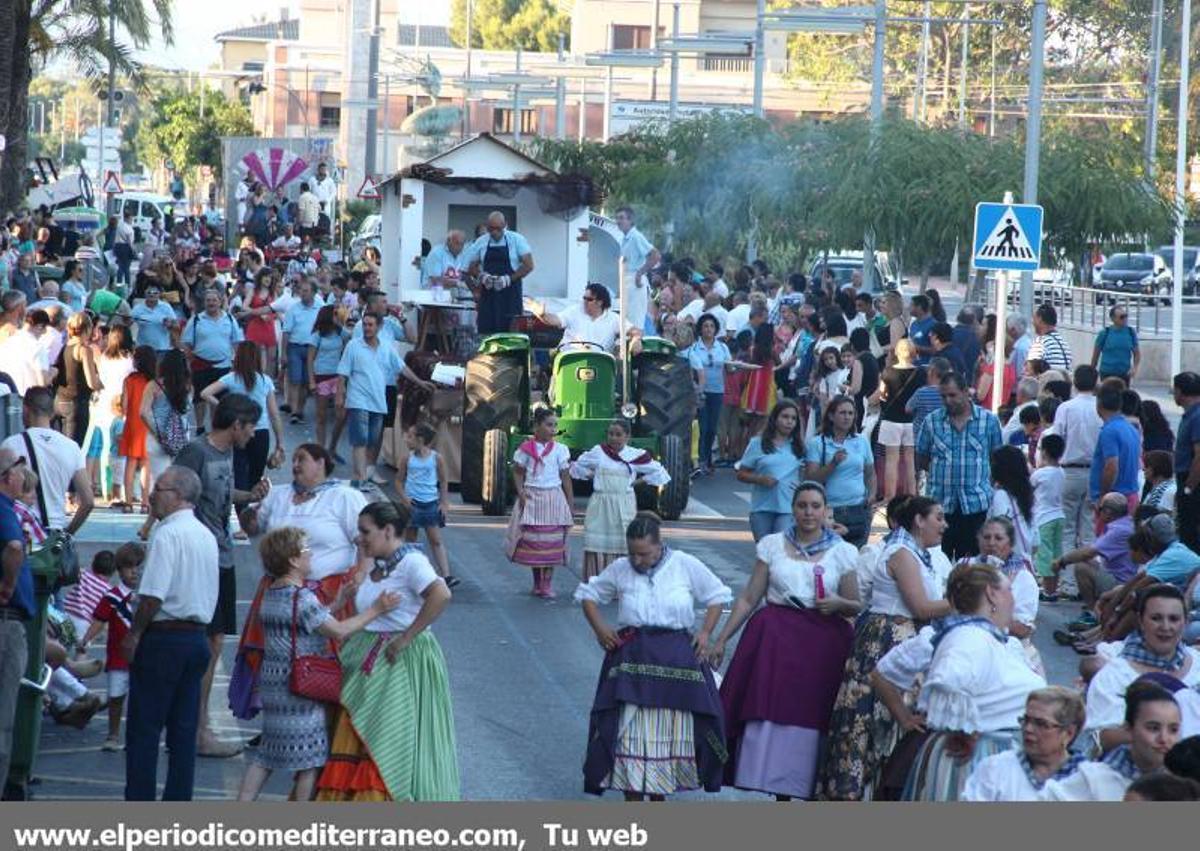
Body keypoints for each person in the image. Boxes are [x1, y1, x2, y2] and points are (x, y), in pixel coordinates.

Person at [713, 482, 860, 800]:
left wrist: (836, 603)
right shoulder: (773, 545)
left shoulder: (843, 552)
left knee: (813, 713)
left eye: (815, 506)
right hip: (776, 637)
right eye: (802, 505)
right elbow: (750, 597)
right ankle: (776, 786)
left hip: (823, 643)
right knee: (772, 710)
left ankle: (807, 783)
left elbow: (855, 604)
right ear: (793, 509)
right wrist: (721, 638)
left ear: (825, 510)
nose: (808, 512)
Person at [235, 527, 400, 801]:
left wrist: (338, 602)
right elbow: (338, 631)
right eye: (306, 550)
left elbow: (302, 622)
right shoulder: (302, 598)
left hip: (274, 681)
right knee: (309, 758)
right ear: (293, 560)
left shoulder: (273, 592)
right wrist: (376, 610)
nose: (311, 555)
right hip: (300, 685)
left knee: (267, 752)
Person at [576, 513, 730, 800]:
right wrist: (600, 629)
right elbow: (588, 594)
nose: (637, 560)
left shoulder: (684, 564)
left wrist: (706, 632)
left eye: (644, 554)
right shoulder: (621, 568)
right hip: (632, 660)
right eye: (632, 553)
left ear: (660, 545)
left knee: (669, 739)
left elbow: (716, 595)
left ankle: (658, 800)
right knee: (626, 738)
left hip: (676, 661)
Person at [315, 501, 458, 801]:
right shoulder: (377, 563)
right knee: (361, 733)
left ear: (388, 530)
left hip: (398, 663)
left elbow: (441, 594)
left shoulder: (411, 563)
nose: (359, 538)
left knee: (384, 737)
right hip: (367, 658)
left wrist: (406, 638)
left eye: (365, 532)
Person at [818, 497, 953, 800]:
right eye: (939, 518)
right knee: (873, 721)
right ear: (919, 520)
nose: (944, 525)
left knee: (889, 724)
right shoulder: (902, 554)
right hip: (887, 640)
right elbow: (920, 607)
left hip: (901, 638)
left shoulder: (919, 554)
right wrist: (967, 601)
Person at [897, 561, 1046, 801]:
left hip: (991, 755)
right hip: (975, 761)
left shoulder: (982, 637)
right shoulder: (969, 637)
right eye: (1010, 591)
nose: (1014, 601)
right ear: (992, 594)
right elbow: (947, 679)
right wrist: (964, 730)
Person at [174, 394, 267, 758]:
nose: (254, 433)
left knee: (212, 644)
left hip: (223, 556)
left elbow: (222, 495)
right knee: (204, 644)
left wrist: (249, 494)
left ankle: (196, 726)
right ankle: (197, 729)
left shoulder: (228, 454)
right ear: (235, 425)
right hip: (202, 559)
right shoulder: (197, 452)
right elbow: (172, 494)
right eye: (251, 426)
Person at [122, 466, 218, 800]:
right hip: (195, 638)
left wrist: (134, 635)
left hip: (164, 638)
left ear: (178, 496)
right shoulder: (204, 534)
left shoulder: (167, 533)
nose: (151, 496)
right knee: (182, 732)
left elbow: (152, 596)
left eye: (158, 490)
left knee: (144, 730)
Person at [915, 371, 1003, 560]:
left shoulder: (989, 421)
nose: (947, 400)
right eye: (943, 396)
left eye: (952, 395)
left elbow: (997, 458)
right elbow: (921, 456)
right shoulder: (932, 421)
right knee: (938, 564)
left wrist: (986, 483)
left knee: (973, 567)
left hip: (975, 507)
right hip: (940, 507)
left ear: (965, 392)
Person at [1044, 681, 1182, 800]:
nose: (1164, 738)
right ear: (1129, 729)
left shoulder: (1185, 784)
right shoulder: (1093, 779)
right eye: (1153, 728)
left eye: (1173, 730)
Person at [570, 421, 670, 581]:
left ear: (627, 437)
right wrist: (593, 476)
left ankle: (620, 583)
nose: (614, 438)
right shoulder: (599, 452)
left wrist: (636, 482)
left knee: (623, 541)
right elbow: (578, 466)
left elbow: (659, 472)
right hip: (601, 503)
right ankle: (597, 581)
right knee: (597, 542)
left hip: (623, 503)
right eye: (611, 434)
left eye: (618, 435)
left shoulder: (635, 455)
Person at [961, 687, 1087, 801]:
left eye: (1041, 724)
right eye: (1026, 720)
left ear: (1068, 733)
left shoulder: (1088, 780)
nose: (1028, 729)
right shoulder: (995, 769)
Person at [76, 542, 144, 751]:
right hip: (118, 656)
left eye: (138, 567)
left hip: (143, 657)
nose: (134, 572)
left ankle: (136, 735)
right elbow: (98, 620)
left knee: (140, 700)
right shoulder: (112, 597)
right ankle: (113, 734)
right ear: (119, 570)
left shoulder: (146, 598)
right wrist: (85, 640)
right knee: (116, 697)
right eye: (129, 567)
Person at [2, 387, 94, 535]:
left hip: (23, 529)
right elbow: (88, 501)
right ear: (52, 413)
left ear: (25, 409)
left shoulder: (11, 445)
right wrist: (68, 534)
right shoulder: (71, 447)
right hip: (57, 531)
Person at [0, 447, 37, 794]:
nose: (22, 476)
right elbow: (13, 546)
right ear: (7, 477)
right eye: (17, 469)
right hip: (6, 622)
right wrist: (9, 585)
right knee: (3, 719)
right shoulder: (3, 508)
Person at [507, 408, 573, 598]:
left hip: (553, 498)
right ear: (537, 426)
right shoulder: (525, 449)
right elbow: (518, 472)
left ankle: (547, 583)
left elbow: (565, 477)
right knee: (535, 542)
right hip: (533, 497)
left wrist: (569, 502)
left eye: (555, 426)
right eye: (549, 425)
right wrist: (520, 492)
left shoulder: (560, 450)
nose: (553, 429)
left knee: (551, 542)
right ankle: (537, 581)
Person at [337, 313, 404, 488]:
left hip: (378, 401)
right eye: (365, 325)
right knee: (359, 440)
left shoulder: (386, 348)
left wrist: (420, 382)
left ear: (379, 327)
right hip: (358, 400)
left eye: (370, 325)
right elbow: (343, 372)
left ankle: (364, 474)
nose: (367, 328)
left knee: (372, 441)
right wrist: (340, 393)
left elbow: (402, 367)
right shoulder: (353, 346)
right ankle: (358, 477)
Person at [804, 395, 875, 547]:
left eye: (850, 413)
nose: (847, 417)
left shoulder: (861, 440)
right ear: (831, 416)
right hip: (830, 511)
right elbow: (811, 479)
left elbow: (870, 473)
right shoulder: (817, 443)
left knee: (854, 559)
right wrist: (833, 464)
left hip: (858, 509)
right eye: (842, 413)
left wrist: (872, 496)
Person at [396, 423, 457, 586]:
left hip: (430, 503)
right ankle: (410, 574)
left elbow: (443, 481)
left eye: (410, 436)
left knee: (435, 540)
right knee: (410, 540)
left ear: (420, 439)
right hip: (412, 504)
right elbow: (398, 481)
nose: (406, 439)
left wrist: (444, 502)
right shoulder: (407, 458)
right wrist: (405, 499)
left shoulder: (436, 458)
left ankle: (446, 575)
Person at [736, 400, 806, 542]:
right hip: (762, 507)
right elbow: (741, 473)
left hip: (788, 508)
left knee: (781, 549)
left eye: (793, 418)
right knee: (765, 551)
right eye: (785, 417)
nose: (789, 422)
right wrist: (760, 479)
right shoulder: (757, 443)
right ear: (775, 419)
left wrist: (802, 487)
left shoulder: (798, 446)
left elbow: (808, 473)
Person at [180, 289, 244, 432]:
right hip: (201, 365)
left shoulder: (229, 319)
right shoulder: (196, 320)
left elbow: (236, 342)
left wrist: (236, 362)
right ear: (204, 303)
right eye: (208, 300)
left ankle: (216, 427)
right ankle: (200, 427)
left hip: (224, 366)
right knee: (200, 398)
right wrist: (190, 360)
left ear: (220, 302)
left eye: (214, 300)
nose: (211, 303)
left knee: (219, 398)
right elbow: (185, 343)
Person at [465, 212, 535, 335]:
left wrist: (508, 279)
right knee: (486, 333)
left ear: (505, 226)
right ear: (487, 227)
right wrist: (483, 276)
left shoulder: (517, 240)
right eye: (491, 229)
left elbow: (529, 265)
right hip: (488, 295)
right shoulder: (481, 242)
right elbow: (471, 267)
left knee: (511, 334)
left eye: (498, 229)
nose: (495, 232)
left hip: (511, 296)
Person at [535, 283, 638, 355]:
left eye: (589, 299)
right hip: (570, 359)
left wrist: (636, 339)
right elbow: (555, 320)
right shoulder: (574, 311)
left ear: (600, 302)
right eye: (584, 298)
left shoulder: (613, 318)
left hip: (599, 363)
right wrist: (543, 315)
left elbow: (634, 330)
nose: (584, 301)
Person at [877, 338, 922, 500]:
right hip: (911, 421)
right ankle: (912, 495)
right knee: (910, 460)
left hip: (891, 419)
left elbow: (881, 396)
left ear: (896, 352)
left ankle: (889, 497)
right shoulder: (920, 373)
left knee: (891, 460)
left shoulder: (888, 372)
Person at [1091, 381, 1141, 520]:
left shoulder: (1110, 431)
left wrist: (1103, 497)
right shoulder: (1131, 429)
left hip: (1114, 503)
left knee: (1107, 540)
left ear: (1099, 404)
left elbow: (1111, 466)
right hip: (1130, 495)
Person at [689, 313, 731, 476]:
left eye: (712, 326)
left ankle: (707, 459)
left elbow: (729, 367)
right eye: (705, 326)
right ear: (701, 329)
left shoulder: (722, 347)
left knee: (713, 428)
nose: (709, 329)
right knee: (702, 427)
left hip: (717, 391)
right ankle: (699, 460)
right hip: (701, 392)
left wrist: (738, 367)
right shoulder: (694, 347)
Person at [53, 311, 100, 446]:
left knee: (60, 446)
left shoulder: (64, 347)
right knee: (73, 449)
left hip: (59, 400)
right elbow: (91, 382)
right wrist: (102, 385)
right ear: (88, 328)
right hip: (76, 403)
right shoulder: (84, 350)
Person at [306, 305, 347, 455]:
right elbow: (310, 359)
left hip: (337, 376)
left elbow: (351, 337)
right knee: (321, 416)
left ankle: (333, 445)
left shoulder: (339, 333)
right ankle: (321, 448)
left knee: (341, 415)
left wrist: (340, 324)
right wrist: (311, 381)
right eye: (335, 314)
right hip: (321, 377)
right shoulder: (317, 336)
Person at [281, 278, 322, 424]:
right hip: (295, 347)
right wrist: (283, 353)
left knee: (305, 381)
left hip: (312, 349)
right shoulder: (293, 309)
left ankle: (300, 409)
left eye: (306, 291)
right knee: (295, 379)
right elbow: (286, 332)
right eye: (301, 291)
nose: (302, 294)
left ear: (314, 293)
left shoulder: (320, 307)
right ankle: (294, 411)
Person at [614, 206, 660, 333]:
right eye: (617, 218)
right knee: (625, 321)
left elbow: (655, 255)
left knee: (634, 322)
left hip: (635, 282)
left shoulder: (635, 236)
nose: (619, 221)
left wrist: (640, 273)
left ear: (630, 220)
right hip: (627, 281)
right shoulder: (624, 239)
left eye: (622, 218)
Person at [1032, 433, 1066, 598]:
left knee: (1044, 556)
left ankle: (1047, 591)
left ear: (1044, 452)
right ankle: (1054, 589)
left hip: (1043, 517)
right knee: (1056, 554)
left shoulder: (1040, 474)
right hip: (1059, 516)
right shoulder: (1062, 472)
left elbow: (1029, 490)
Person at [1173, 372, 1200, 554]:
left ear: (1179, 392)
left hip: (1193, 481)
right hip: (1187, 479)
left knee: (1190, 532)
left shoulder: (1197, 416)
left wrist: (1189, 487)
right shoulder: (1190, 415)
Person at [1092, 306, 1140, 385]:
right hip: (1107, 373)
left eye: (1126, 316)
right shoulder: (1104, 333)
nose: (1125, 319)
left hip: (1124, 374)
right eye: (1122, 317)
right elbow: (1095, 355)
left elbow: (1137, 353)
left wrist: (1134, 368)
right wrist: (1092, 373)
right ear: (1113, 319)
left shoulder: (1130, 332)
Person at [130, 285, 177, 354]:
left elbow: (176, 325)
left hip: (162, 348)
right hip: (143, 349)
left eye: (155, 293)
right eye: (149, 292)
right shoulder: (138, 308)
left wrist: (170, 325)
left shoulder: (166, 307)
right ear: (145, 293)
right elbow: (128, 322)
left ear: (159, 294)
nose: (152, 295)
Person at [1028, 304, 1072, 372]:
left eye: (1034, 319)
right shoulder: (1064, 344)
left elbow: (1031, 370)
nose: (1033, 323)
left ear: (1040, 319)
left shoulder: (1040, 342)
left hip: (1047, 381)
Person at [907, 295, 936, 366]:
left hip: (925, 367)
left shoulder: (933, 325)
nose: (908, 308)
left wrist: (918, 348)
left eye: (911, 305)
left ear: (919, 307)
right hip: (912, 365)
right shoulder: (914, 323)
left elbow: (936, 350)